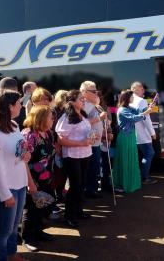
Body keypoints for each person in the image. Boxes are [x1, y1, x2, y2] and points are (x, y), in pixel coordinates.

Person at [0, 90, 33, 261]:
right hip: (5, 189)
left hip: (19, 184)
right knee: (4, 230)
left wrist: (24, 155)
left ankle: (12, 254)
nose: (22, 105)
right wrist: (5, 195)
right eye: (19, 102)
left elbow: (17, 151)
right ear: (9, 106)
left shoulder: (14, 125)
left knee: (14, 227)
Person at [55, 90, 94, 228]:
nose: (83, 100)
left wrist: (92, 137)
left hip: (85, 154)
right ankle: (68, 216)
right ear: (71, 102)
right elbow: (60, 140)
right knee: (75, 185)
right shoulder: (66, 118)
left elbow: (85, 132)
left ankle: (78, 211)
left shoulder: (82, 114)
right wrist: (81, 143)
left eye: (84, 99)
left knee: (81, 184)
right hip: (72, 156)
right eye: (81, 99)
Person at [21, 105, 56, 252]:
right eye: (50, 117)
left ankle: (38, 231)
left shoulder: (47, 133)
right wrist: (30, 183)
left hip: (45, 177)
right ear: (41, 118)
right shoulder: (29, 135)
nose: (53, 119)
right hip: (32, 179)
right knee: (30, 209)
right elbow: (23, 162)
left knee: (41, 207)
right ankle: (27, 238)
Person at [113, 90, 153, 193]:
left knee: (131, 160)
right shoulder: (122, 110)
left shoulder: (129, 108)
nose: (133, 98)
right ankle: (122, 184)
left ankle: (129, 183)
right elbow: (134, 118)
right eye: (131, 97)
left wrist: (147, 108)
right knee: (125, 161)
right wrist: (146, 113)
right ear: (126, 98)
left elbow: (139, 112)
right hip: (125, 138)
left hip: (130, 137)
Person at [80, 81, 108, 198]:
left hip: (95, 141)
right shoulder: (84, 105)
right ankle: (88, 191)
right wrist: (99, 118)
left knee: (94, 166)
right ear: (84, 92)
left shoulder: (92, 104)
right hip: (89, 143)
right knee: (90, 168)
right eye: (93, 91)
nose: (96, 93)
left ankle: (91, 189)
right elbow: (81, 123)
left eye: (96, 90)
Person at [130, 81, 157, 185]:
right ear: (135, 89)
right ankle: (144, 178)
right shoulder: (141, 101)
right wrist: (152, 132)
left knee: (137, 156)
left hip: (132, 134)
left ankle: (138, 176)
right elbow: (146, 118)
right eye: (141, 88)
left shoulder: (129, 100)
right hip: (142, 134)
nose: (143, 91)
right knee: (149, 153)